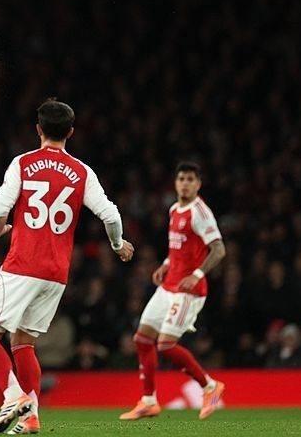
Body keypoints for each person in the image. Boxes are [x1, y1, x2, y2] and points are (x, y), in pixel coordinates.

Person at [0, 100, 134, 435]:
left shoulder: (23, 163)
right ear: (70, 132)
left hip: (21, 266)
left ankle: (13, 397)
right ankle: (31, 417)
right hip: (56, 274)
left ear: (38, 129)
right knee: (23, 343)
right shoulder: (82, 171)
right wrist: (118, 245)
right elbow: (110, 215)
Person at [120, 162, 227, 421]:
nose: (185, 183)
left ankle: (210, 387)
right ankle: (148, 401)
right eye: (181, 179)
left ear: (198, 184)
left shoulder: (200, 212)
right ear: (176, 183)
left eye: (190, 179)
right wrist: (166, 265)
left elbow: (219, 249)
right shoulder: (174, 209)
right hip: (169, 286)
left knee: (166, 345)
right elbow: (179, 248)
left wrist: (197, 275)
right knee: (142, 339)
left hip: (189, 291)